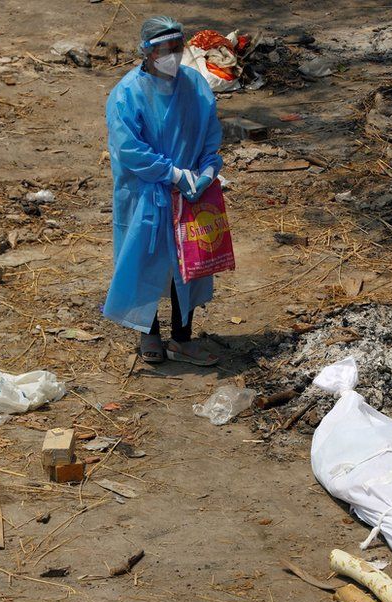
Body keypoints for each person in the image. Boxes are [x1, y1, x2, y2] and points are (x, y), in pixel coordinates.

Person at [103, 16, 223, 366]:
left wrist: (209, 167)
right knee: (147, 262)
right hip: (145, 195)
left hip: (188, 193)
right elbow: (129, 149)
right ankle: (149, 332)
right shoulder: (127, 93)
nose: (171, 56)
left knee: (188, 263)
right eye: (163, 50)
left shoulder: (195, 85)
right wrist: (170, 173)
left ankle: (183, 337)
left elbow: (209, 131)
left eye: (176, 48)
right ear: (146, 51)